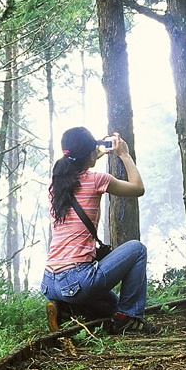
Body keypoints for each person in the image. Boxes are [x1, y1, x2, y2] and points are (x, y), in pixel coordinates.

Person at [40, 126, 150, 334]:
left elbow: (78, 165)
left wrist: (94, 151)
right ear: (89, 153)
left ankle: (64, 308)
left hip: (49, 282)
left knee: (110, 305)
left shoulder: (56, 186)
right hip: (78, 279)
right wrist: (123, 154)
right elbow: (138, 188)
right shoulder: (97, 180)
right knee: (137, 249)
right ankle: (130, 317)